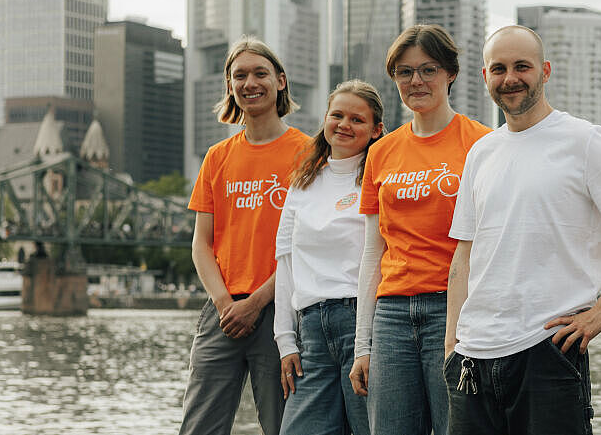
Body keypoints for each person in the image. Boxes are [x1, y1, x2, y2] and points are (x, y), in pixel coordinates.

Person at [443, 26, 601, 435]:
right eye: (498, 68)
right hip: (472, 357)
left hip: (548, 348)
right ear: (485, 77)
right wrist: (451, 345)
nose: (510, 78)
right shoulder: (481, 152)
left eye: (522, 66)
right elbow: (463, 255)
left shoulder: (584, 141)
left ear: (545, 71)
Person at [348, 24, 492, 435]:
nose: (416, 81)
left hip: (455, 311)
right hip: (391, 317)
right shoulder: (380, 152)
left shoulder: (482, 143)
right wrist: (363, 345)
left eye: (428, 70)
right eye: (405, 72)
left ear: (450, 73)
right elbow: (372, 253)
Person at [180, 37, 311, 435]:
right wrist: (225, 303)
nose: (250, 83)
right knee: (198, 426)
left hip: (279, 310)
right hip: (221, 311)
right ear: (229, 86)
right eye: (240, 75)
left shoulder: (307, 152)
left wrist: (255, 303)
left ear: (281, 81)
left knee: (281, 425)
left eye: (260, 73)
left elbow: (304, 247)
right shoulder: (217, 156)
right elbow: (202, 244)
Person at [274, 80, 385, 435]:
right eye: (337, 115)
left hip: (361, 322)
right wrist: (285, 341)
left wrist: (365, 339)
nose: (344, 125)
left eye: (357, 119)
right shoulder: (302, 183)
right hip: (311, 330)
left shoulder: (378, 178)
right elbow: (286, 262)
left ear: (376, 129)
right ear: (325, 119)